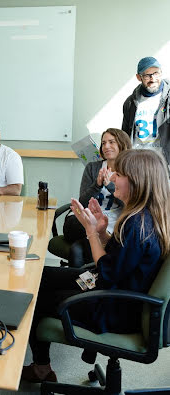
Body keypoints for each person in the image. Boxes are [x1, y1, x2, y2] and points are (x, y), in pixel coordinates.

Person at [22, 149, 169, 383]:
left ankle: (41, 367)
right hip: (118, 292)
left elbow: (108, 271)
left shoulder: (137, 225)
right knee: (42, 276)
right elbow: (119, 258)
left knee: (37, 299)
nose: (112, 178)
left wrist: (90, 232)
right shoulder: (143, 217)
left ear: (137, 181)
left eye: (118, 173)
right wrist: (101, 232)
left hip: (116, 307)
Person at [63, 128, 132, 267]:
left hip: (109, 224)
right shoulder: (93, 168)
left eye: (111, 142)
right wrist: (97, 185)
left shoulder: (130, 170)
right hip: (86, 220)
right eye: (103, 143)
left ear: (122, 144)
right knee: (75, 227)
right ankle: (93, 278)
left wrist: (110, 186)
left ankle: (89, 281)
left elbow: (130, 205)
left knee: (76, 250)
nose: (106, 146)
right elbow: (82, 201)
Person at [122, 56, 170, 167]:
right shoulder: (130, 103)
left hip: (163, 165)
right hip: (138, 164)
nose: (152, 78)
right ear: (139, 77)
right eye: (147, 75)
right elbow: (124, 136)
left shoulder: (168, 98)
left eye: (156, 73)